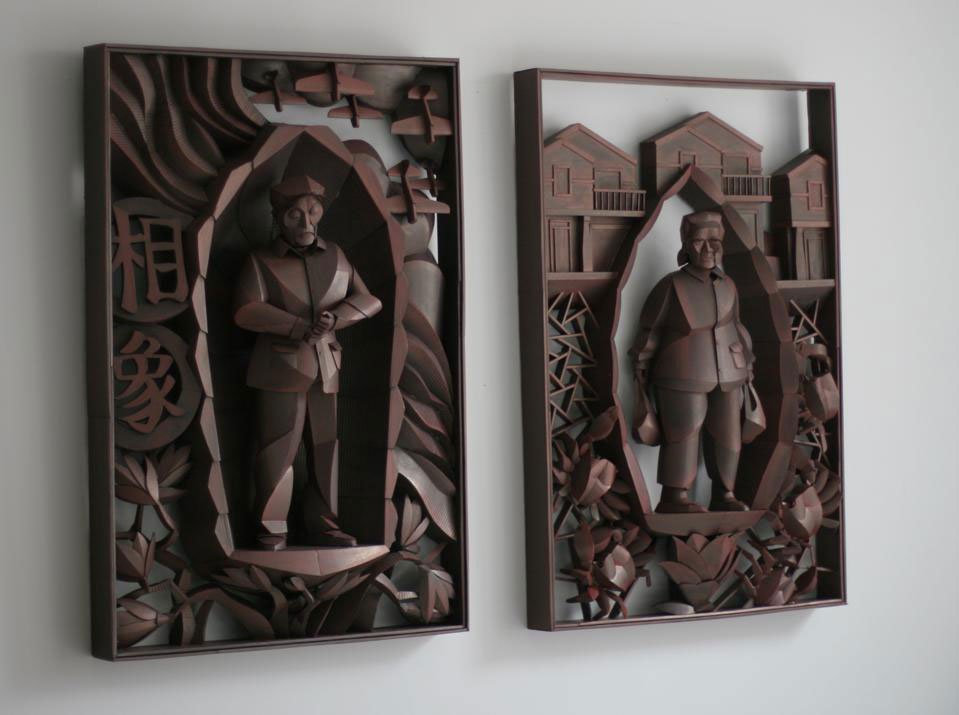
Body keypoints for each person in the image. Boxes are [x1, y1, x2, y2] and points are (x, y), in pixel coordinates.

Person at [234, 174, 383, 550]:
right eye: (295, 214)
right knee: (278, 448)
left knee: (326, 448)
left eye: (312, 212)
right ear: (279, 217)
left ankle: (324, 525)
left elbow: (370, 299)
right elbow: (246, 310)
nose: (306, 222)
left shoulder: (337, 255)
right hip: (280, 369)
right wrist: (297, 326)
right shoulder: (260, 261)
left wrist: (339, 318)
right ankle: (271, 528)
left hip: (327, 366)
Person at [629, 210, 758, 514]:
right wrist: (641, 363)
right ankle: (675, 496)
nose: (709, 249)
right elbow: (650, 328)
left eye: (715, 242)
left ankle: (725, 493)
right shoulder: (671, 285)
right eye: (700, 242)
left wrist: (748, 363)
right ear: (686, 244)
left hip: (729, 370)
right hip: (681, 370)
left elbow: (737, 326)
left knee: (728, 434)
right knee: (684, 430)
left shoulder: (728, 285)